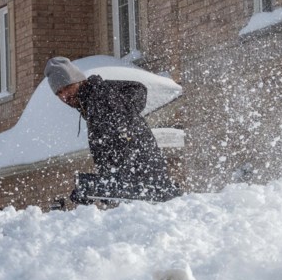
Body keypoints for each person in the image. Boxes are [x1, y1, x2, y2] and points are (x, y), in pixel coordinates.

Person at [44, 56, 180, 203]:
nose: (64, 96)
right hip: (142, 175)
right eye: (59, 93)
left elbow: (122, 142)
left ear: (78, 81)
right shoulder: (94, 101)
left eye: (67, 87)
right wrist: (102, 185)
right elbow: (109, 146)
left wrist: (108, 183)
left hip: (142, 175)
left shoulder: (101, 98)